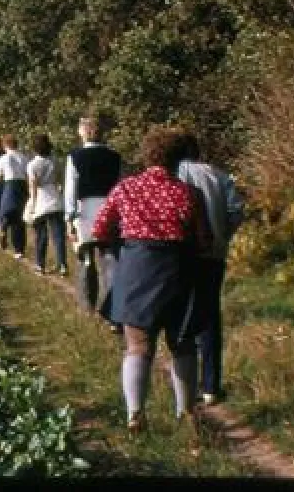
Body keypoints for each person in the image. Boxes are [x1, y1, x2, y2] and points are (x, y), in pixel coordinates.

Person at [91, 125, 213, 434]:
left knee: (138, 346)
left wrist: (119, 246)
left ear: (147, 155)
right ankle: (185, 411)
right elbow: (204, 241)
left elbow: (100, 230)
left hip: (136, 270)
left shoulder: (125, 188)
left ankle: (135, 413)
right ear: (179, 159)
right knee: (182, 344)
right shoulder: (189, 193)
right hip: (178, 272)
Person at [176, 132, 245, 407]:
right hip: (213, 254)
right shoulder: (219, 175)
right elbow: (236, 210)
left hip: (180, 254)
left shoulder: (173, 175)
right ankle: (211, 385)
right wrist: (223, 235)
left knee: (182, 318)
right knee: (210, 316)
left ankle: (186, 385)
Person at [64, 116, 123, 326]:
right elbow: (120, 187)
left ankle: (88, 305)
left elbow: (71, 189)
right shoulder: (115, 157)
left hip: (85, 212)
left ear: (83, 132)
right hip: (109, 210)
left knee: (86, 261)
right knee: (110, 262)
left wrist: (69, 218)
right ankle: (113, 312)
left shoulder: (75, 157)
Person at [26, 133, 67, 276]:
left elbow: (33, 186)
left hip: (41, 200)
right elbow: (61, 181)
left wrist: (32, 204)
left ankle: (40, 265)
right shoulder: (56, 161)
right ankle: (62, 264)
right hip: (55, 198)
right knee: (58, 235)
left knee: (41, 235)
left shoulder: (32, 165)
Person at [0, 134, 30, 260]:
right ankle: (19, 250)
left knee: (4, 212)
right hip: (21, 186)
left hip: (9, 185)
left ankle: (3, 231)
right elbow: (28, 176)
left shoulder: (3, 158)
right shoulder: (24, 158)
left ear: (5, 145)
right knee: (19, 219)